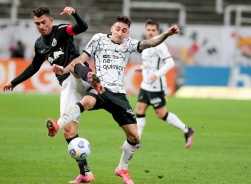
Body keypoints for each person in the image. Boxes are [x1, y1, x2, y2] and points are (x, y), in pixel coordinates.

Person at [46, 15, 179, 184]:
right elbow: (80, 60)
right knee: (86, 99)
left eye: (124, 30)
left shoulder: (129, 43)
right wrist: (65, 70)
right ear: (112, 28)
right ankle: (58, 124)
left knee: (134, 136)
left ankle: (122, 169)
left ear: (128, 32)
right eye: (117, 29)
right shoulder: (98, 39)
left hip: (117, 94)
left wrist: (167, 34)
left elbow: (149, 43)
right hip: (100, 87)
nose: (120, 33)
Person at [2, 6, 95, 183]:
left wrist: (74, 13)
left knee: (75, 67)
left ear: (50, 21)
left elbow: (82, 27)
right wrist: (14, 82)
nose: (41, 26)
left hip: (75, 77)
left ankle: (94, 82)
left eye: (44, 22)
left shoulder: (62, 30)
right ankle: (85, 172)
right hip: (68, 87)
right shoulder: (39, 44)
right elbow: (34, 67)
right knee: (69, 132)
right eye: (37, 23)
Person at [134, 19, 194, 149]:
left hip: (156, 86)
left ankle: (187, 130)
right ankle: (136, 140)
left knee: (161, 114)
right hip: (145, 85)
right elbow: (151, 63)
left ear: (158, 31)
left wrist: (157, 74)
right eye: (148, 30)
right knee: (139, 110)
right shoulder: (145, 45)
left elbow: (170, 63)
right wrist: (143, 68)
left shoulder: (160, 45)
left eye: (153, 30)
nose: (150, 33)